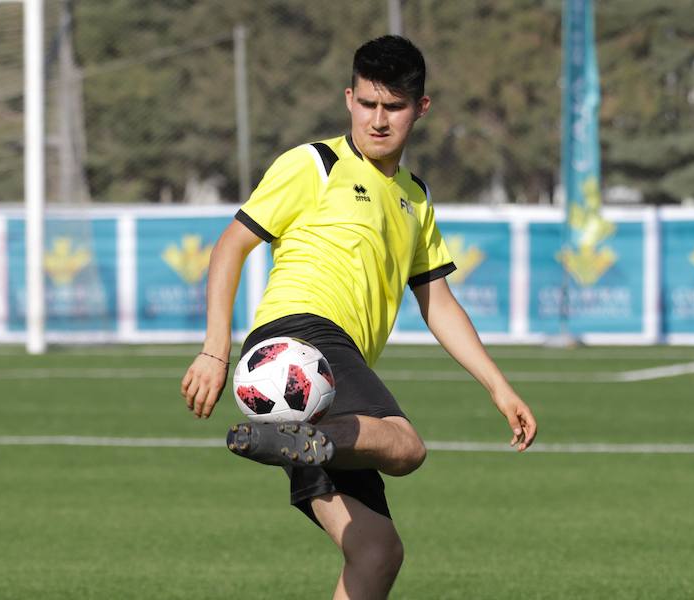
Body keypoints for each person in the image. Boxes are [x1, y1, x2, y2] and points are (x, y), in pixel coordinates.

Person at [181, 35, 537, 600]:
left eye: (392, 107)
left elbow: (437, 302)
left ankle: (300, 437)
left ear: (420, 109)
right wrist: (213, 350)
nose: (377, 120)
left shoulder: (415, 199)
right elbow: (229, 247)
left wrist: (499, 387)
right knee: (405, 445)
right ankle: (307, 435)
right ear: (349, 99)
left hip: (316, 397)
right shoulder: (314, 164)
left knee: (376, 551)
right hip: (301, 342)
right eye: (367, 103)